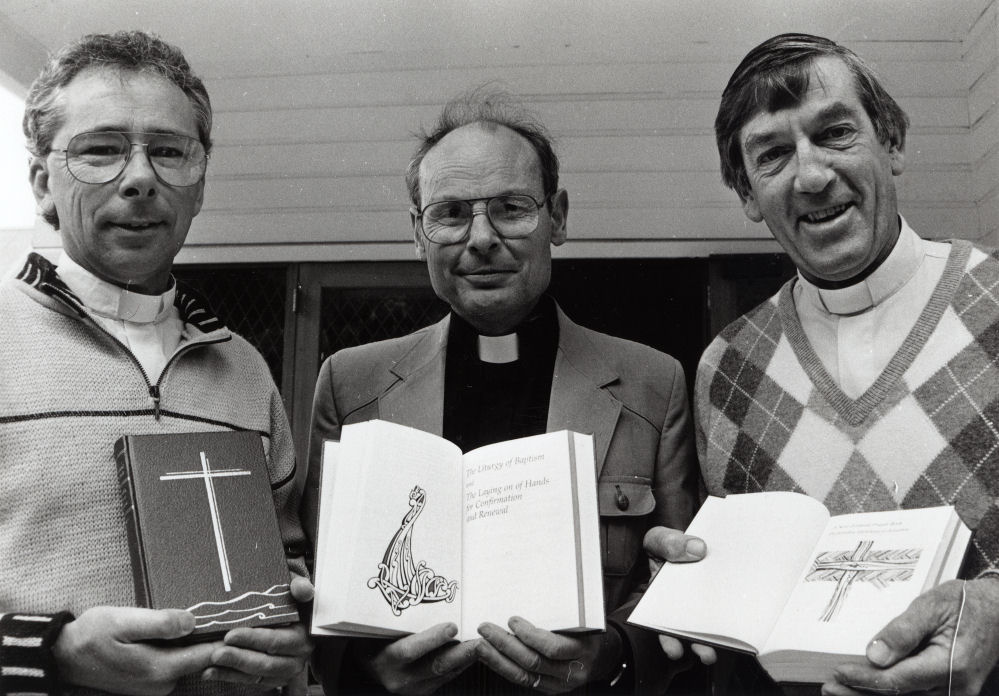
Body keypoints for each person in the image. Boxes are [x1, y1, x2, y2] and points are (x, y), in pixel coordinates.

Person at [303, 90, 701, 695]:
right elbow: (319, 586)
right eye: (452, 213)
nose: (482, 238)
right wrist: (364, 669)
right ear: (418, 233)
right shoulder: (349, 385)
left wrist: (614, 654)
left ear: (558, 218)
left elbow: (678, 586)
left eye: (512, 208)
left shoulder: (652, 385)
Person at [645, 32, 999, 695]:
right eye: (773, 154)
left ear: (891, 142)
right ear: (747, 194)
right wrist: (689, 587)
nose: (810, 175)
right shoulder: (725, 371)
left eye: (834, 133)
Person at [0, 31, 313, 695]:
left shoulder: (245, 370)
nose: (141, 177)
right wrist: (50, 653)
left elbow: (286, 562)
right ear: (41, 183)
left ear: (198, 185)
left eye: (169, 151)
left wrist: (294, 628)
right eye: (102, 149)